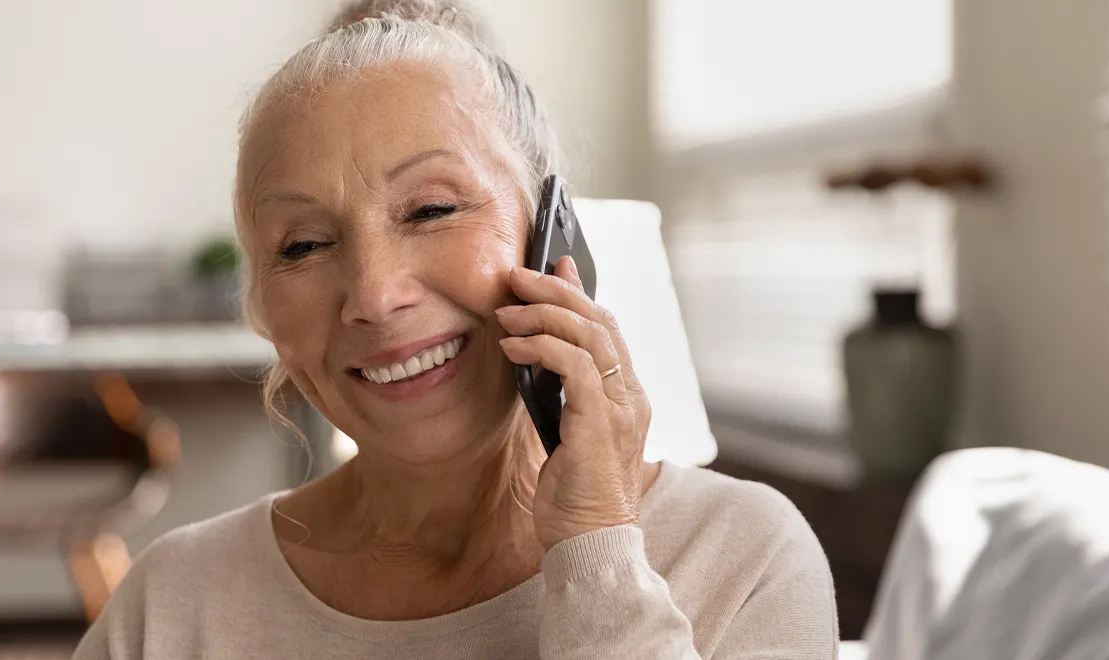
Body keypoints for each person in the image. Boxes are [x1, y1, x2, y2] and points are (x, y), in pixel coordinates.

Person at [73, 2, 836, 657]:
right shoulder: (171, 608)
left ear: (555, 242)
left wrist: (596, 546)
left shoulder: (744, 558)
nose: (373, 295)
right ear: (264, 313)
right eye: (302, 245)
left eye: (432, 209)